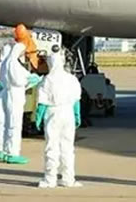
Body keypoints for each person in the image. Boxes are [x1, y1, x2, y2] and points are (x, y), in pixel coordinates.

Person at [35, 47, 83, 188]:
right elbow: (76, 100)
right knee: (68, 147)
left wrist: (38, 118)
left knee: (52, 147)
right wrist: (77, 115)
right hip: (68, 113)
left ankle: (50, 179)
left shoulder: (47, 80)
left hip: (53, 113)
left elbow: (42, 102)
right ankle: (69, 179)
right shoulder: (71, 79)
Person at [0, 43, 41, 164]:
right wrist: (31, 80)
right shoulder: (13, 64)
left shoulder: (7, 63)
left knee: (9, 124)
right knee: (15, 124)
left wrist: (29, 79)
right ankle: (13, 153)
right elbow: (18, 80)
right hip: (14, 94)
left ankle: (7, 151)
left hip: (10, 93)